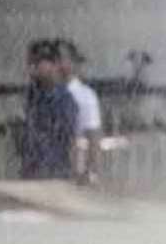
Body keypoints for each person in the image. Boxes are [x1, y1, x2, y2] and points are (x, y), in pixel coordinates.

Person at [20, 40, 78, 180]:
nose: (33, 68)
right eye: (31, 63)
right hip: (32, 171)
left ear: (53, 64)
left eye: (38, 62)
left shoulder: (63, 99)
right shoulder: (32, 96)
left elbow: (66, 139)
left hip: (55, 171)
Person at [55, 39, 103, 186]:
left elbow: (94, 137)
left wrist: (92, 171)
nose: (57, 63)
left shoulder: (85, 95)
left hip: (73, 168)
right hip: (46, 167)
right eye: (54, 59)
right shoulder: (43, 95)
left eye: (61, 58)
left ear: (73, 62)